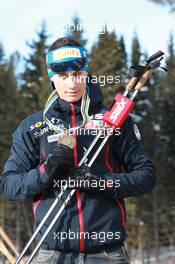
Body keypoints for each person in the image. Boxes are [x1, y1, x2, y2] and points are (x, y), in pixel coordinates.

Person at [0, 37, 156, 264]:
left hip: (106, 253)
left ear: (86, 74)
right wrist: (46, 171)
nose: (72, 84)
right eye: (63, 77)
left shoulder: (114, 120)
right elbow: (10, 186)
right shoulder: (33, 127)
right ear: (52, 77)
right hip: (51, 253)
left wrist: (103, 182)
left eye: (77, 75)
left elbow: (146, 176)